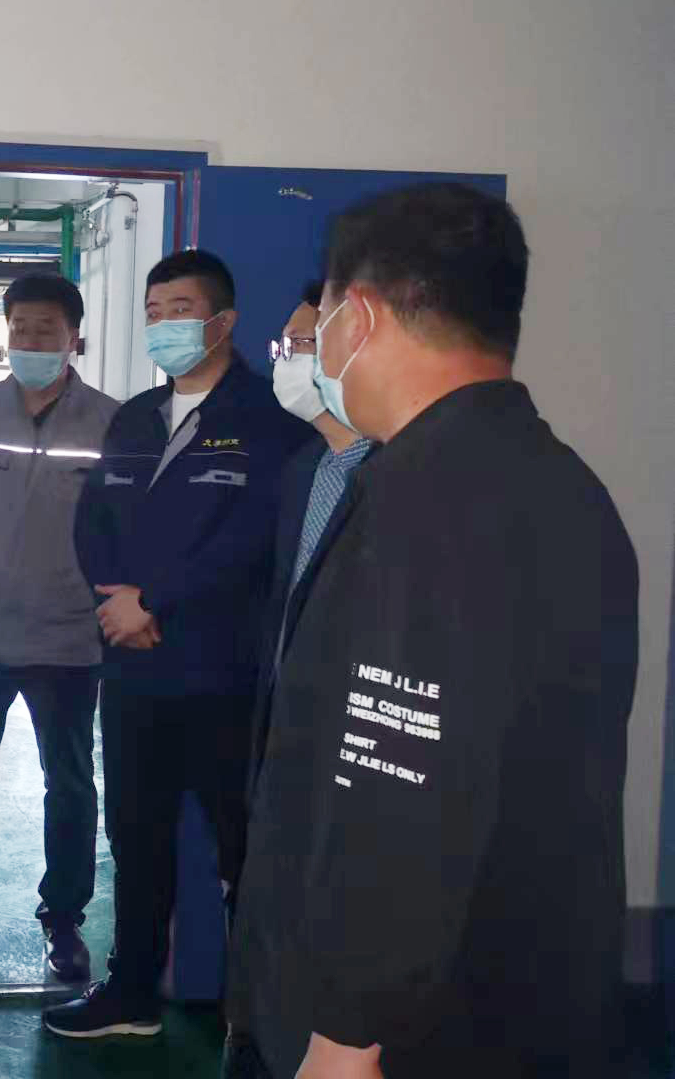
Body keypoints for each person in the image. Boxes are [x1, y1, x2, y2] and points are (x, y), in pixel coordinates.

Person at [226, 183, 638, 1079]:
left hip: (406, 1032)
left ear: (361, 316)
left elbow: (400, 789)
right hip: (520, 983)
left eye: (324, 319)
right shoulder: (559, 483)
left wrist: (346, 1034)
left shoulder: (427, 503)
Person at [46, 250, 309, 1040]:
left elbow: (251, 540)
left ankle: (255, 1010)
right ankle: (132, 993)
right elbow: (92, 520)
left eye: (181, 310)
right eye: (154, 312)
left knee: (243, 847)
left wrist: (152, 601)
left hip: (222, 675)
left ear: (224, 322)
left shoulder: (271, 423)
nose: (164, 325)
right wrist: (114, 601)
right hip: (133, 672)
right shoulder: (133, 419)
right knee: (136, 839)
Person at [0, 271, 119, 983]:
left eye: (47, 329)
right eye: (21, 329)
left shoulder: (113, 422)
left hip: (69, 637)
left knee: (69, 786)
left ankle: (63, 919)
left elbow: (124, 529)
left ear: (74, 337)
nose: (32, 341)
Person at [250, 282, 374, 786]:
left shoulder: (398, 477)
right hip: (285, 720)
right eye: (282, 346)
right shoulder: (304, 467)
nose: (284, 362)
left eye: (298, 344)